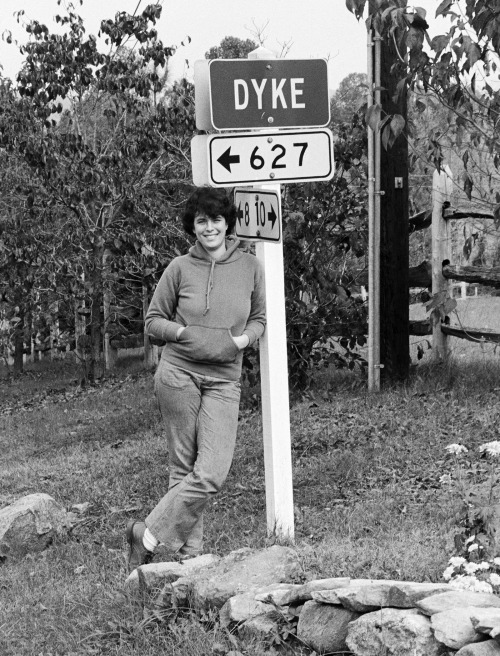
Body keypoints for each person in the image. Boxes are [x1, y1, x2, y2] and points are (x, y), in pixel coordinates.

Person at [126, 186, 266, 569]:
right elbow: (153, 321)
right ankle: (189, 560)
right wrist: (185, 334)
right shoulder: (179, 268)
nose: (209, 228)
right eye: (201, 221)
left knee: (211, 471)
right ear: (193, 225)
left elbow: (259, 318)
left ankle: (148, 534)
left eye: (216, 219)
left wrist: (240, 340)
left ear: (227, 223)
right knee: (183, 467)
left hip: (224, 378)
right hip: (178, 374)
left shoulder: (251, 266)